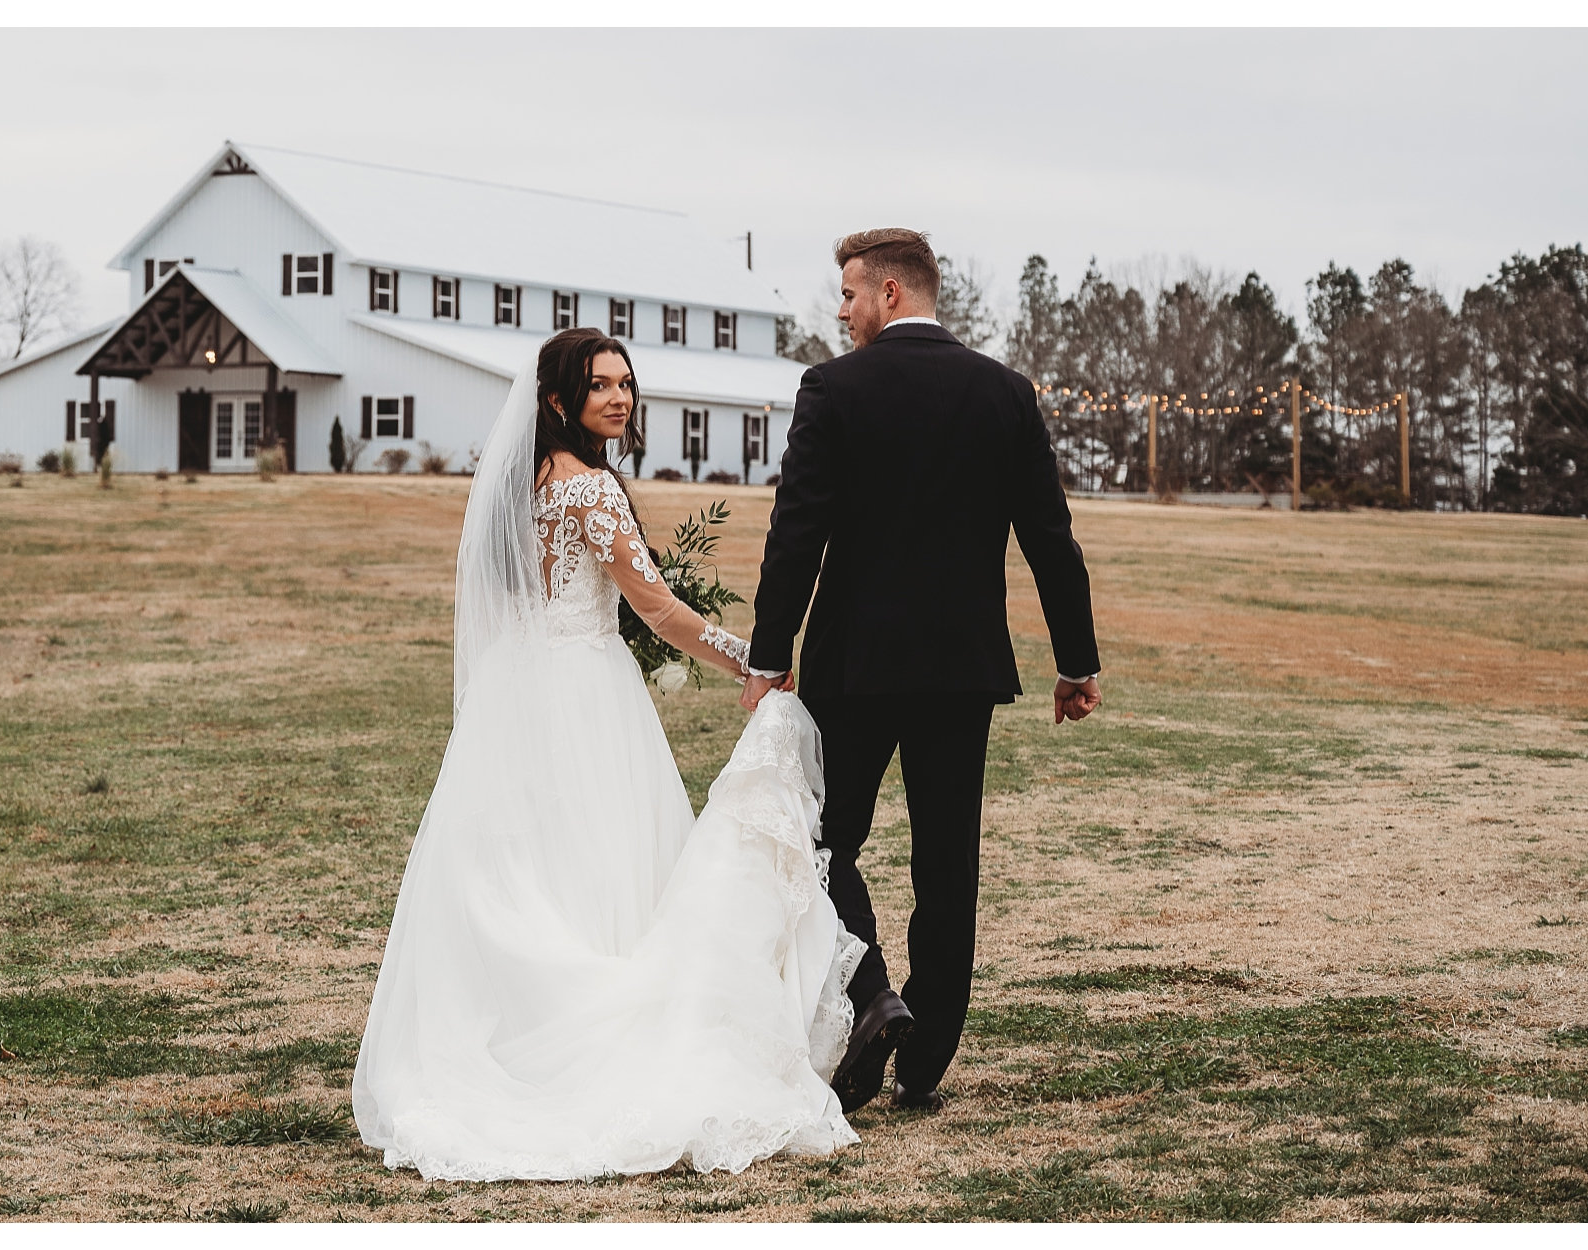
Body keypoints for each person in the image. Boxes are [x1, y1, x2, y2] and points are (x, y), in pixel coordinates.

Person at [351, 328, 864, 1182]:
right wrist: (753, 659)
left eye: (626, 383)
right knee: (600, 856)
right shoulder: (589, 489)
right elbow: (657, 609)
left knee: (525, 863)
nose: (619, 398)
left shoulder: (525, 484)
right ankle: (592, 1035)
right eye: (601, 387)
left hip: (519, 691)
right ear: (560, 401)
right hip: (586, 690)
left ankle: (516, 1035)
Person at [743, 228, 1103, 1116]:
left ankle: (871, 996)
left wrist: (767, 657)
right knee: (950, 864)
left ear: (892, 294)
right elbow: (1048, 537)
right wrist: (1075, 660)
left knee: (825, 843)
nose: (841, 310)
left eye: (850, 293)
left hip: (851, 666)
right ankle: (923, 1063)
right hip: (959, 669)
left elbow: (797, 534)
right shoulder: (1005, 394)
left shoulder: (833, 388)